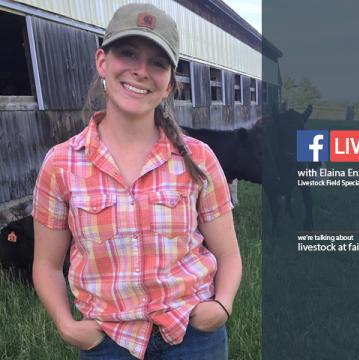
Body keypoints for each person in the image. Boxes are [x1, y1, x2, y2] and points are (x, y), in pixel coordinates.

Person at [31, 3, 242, 359]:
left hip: (193, 337)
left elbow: (229, 253)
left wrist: (221, 306)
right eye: (127, 54)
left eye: (157, 63)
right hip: (108, 343)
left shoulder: (198, 158)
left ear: (169, 85)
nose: (141, 71)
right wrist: (67, 325)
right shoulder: (61, 164)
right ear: (103, 62)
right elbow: (46, 264)